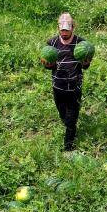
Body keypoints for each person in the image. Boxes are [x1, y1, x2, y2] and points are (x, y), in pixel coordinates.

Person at [41, 13, 91, 152]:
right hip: (58, 86)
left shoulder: (81, 44)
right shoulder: (51, 43)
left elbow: (85, 66)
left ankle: (68, 148)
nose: (64, 33)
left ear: (73, 28)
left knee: (71, 120)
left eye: (67, 30)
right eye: (62, 30)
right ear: (58, 28)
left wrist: (86, 62)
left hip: (75, 87)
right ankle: (68, 123)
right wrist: (47, 64)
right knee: (63, 114)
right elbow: (48, 66)